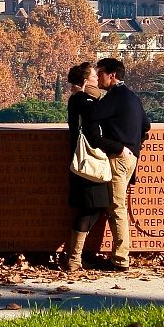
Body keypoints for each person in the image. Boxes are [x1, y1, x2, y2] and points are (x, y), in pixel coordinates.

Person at [82, 57, 150, 271]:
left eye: (100, 72)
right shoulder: (131, 96)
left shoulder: (115, 96)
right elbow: (146, 125)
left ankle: (121, 259)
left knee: (117, 208)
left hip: (119, 157)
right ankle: (119, 257)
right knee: (117, 206)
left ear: (112, 75)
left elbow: (92, 114)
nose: (98, 76)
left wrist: (86, 93)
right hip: (131, 157)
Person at [64, 62, 122, 273]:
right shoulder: (83, 100)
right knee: (88, 207)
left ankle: (77, 257)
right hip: (87, 162)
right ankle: (74, 259)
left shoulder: (81, 99)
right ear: (86, 80)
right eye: (94, 76)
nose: (98, 79)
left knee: (91, 207)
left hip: (82, 161)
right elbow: (93, 131)